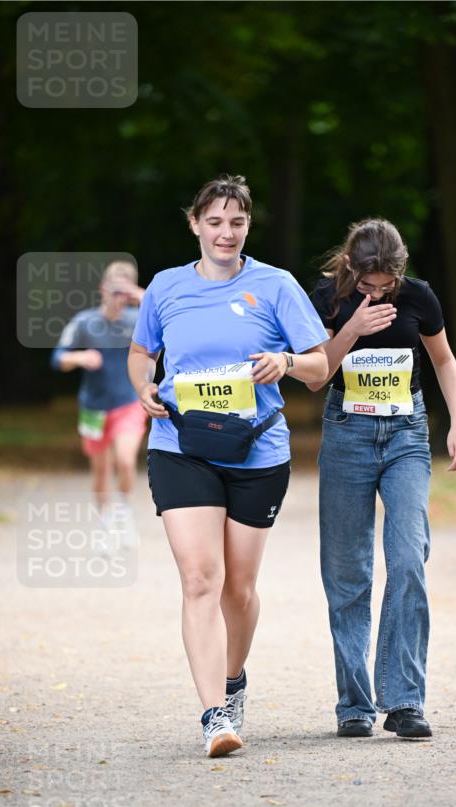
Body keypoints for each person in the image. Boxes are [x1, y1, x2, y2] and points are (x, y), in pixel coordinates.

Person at [128, 174, 328, 758]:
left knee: (237, 589)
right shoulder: (165, 288)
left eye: (236, 222)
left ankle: (234, 680)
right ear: (194, 224)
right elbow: (143, 354)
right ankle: (215, 714)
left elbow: (319, 368)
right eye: (213, 222)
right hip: (180, 444)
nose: (225, 233)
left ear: (248, 226)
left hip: (257, 452)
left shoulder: (276, 286)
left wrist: (286, 360)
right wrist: (143, 387)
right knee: (201, 579)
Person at [308, 218, 456, 739]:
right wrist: (353, 326)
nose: (378, 293)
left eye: (386, 287)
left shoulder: (420, 297)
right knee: (347, 573)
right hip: (346, 433)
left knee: (407, 558)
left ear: (399, 274)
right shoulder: (328, 297)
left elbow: (443, 360)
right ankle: (354, 705)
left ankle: (404, 700)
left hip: (406, 432)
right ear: (351, 269)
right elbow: (318, 374)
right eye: (368, 285)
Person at [51, 260, 147, 544]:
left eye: (123, 292)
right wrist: (79, 357)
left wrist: (143, 298)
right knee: (101, 470)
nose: (118, 298)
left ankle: (124, 514)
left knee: (126, 460)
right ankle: (105, 525)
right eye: (113, 290)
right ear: (102, 289)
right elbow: (57, 357)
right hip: (93, 407)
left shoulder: (137, 320)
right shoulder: (84, 322)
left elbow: (170, 324)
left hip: (128, 402)